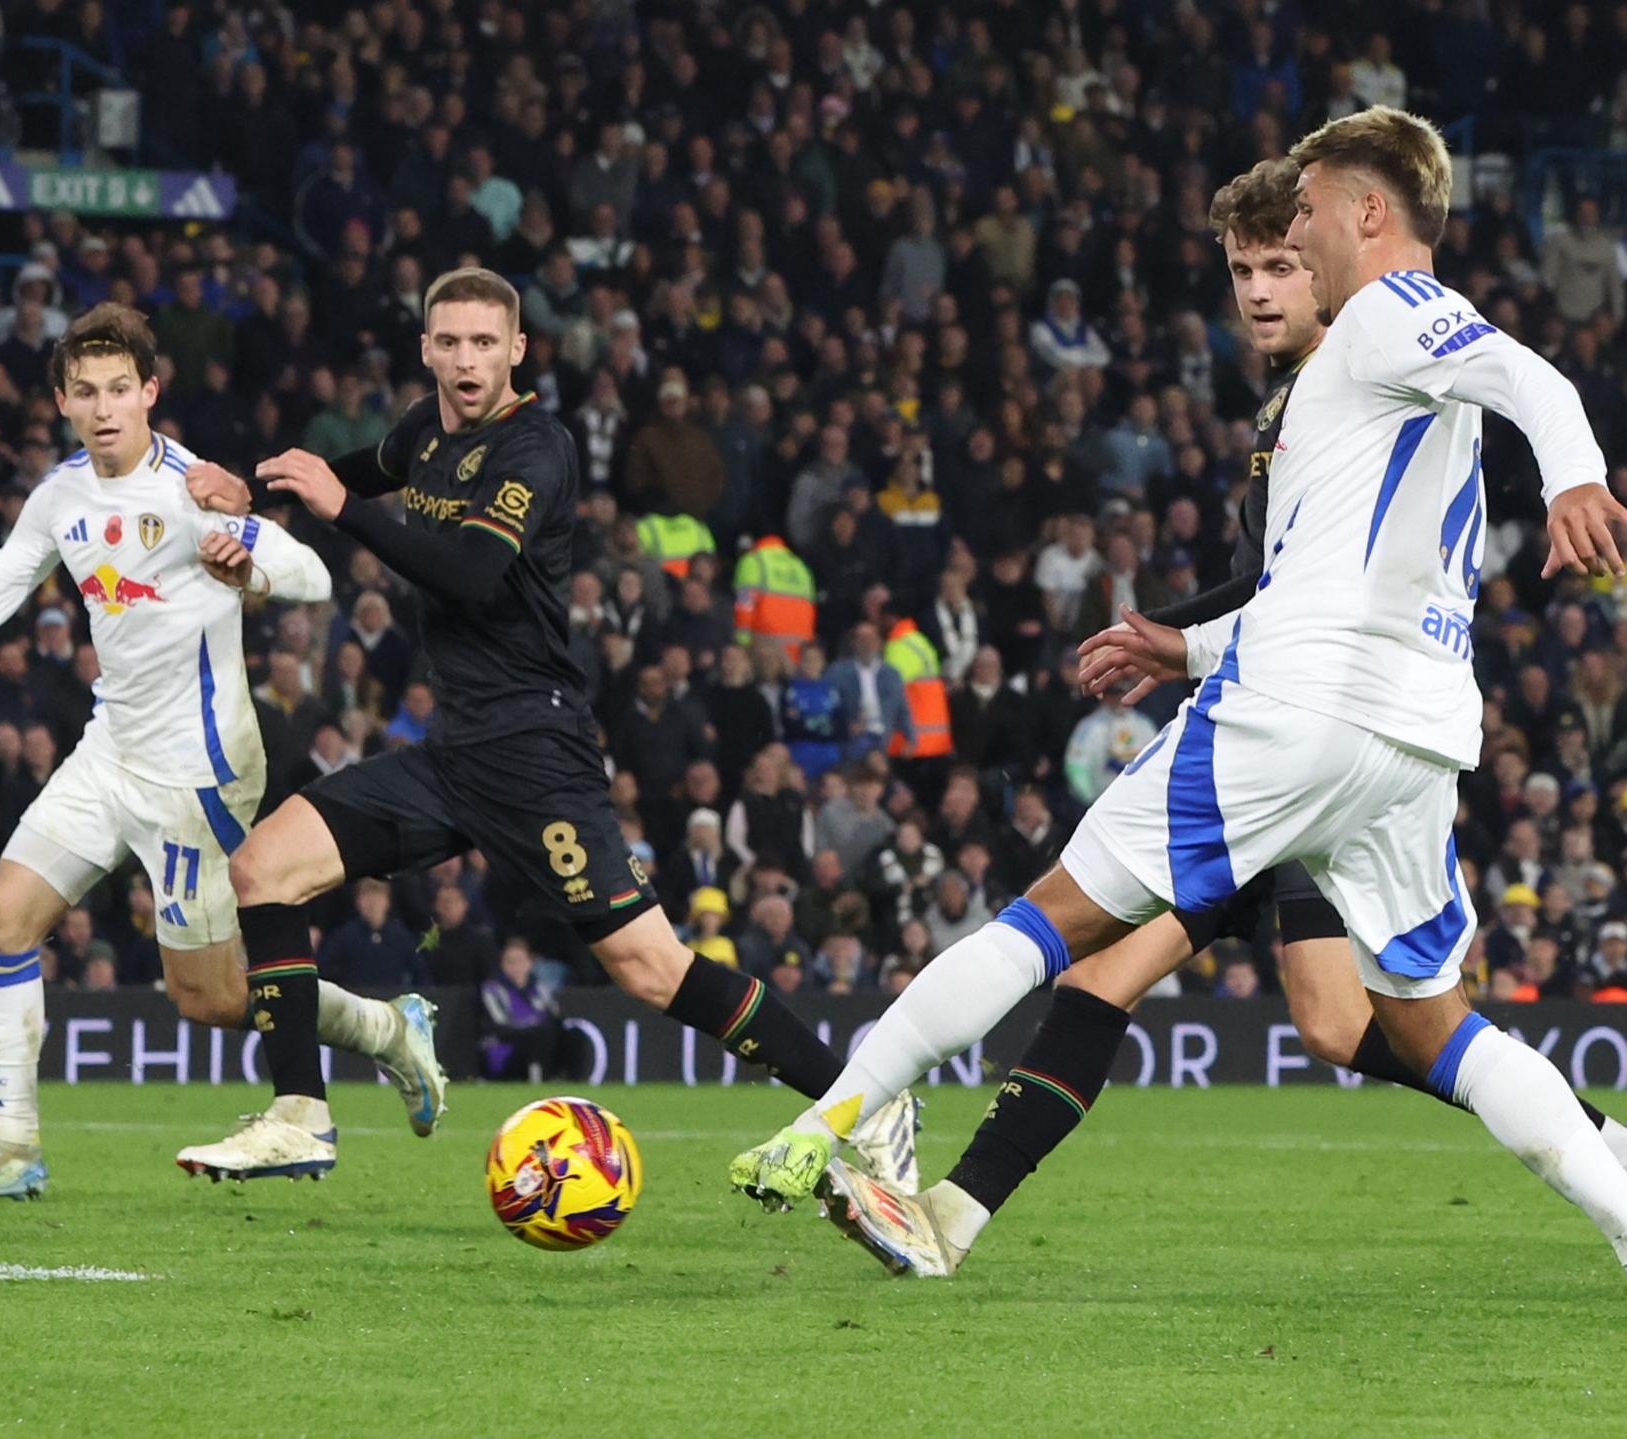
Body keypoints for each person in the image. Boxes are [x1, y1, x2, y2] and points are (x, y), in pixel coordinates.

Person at [748, 108, 1627, 1275]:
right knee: (1425, 1021)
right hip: (1413, 734)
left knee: (1051, 920)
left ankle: (836, 1113)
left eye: (1304, 217)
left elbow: (1531, 372)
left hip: (1300, 710)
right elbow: (1332, 576)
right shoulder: (1380, 388)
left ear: (1368, 213)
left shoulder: (1385, 310)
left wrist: (1573, 478)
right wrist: (1190, 649)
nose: (1293, 241)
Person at [181, 268, 916, 1183]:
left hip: (536, 752)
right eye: (448, 341)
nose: (466, 359)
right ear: (426, 349)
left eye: (485, 342)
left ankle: (866, 1101)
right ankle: (299, 1117)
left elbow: (472, 574)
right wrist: (246, 482)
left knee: (651, 969)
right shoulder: (423, 428)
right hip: (453, 751)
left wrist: (343, 511)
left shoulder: (538, 448)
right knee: (262, 870)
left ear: (518, 349)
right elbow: (342, 476)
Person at [0, 304, 445, 1203]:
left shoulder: (196, 486)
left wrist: (250, 568)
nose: (106, 406)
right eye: (87, 391)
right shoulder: (60, 496)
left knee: (207, 997)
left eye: (122, 388)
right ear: (63, 401)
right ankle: (12, 1146)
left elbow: (314, 574)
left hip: (200, 773)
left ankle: (390, 1030)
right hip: (107, 750)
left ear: (151, 391)